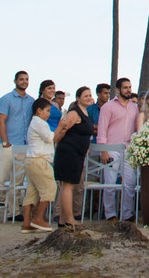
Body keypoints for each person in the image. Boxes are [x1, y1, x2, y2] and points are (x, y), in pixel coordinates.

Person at [97, 77, 139, 221]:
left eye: (130, 87)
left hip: (128, 149)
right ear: (118, 90)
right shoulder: (108, 107)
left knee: (129, 184)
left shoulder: (134, 107)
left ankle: (127, 214)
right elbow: (102, 129)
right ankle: (110, 214)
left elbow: (136, 129)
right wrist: (103, 150)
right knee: (110, 184)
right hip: (111, 149)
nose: (128, 90)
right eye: (125, 87)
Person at [0, 71, 34, 216]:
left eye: (26, 79)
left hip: (23, 146)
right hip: (8, 146)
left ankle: (14, 212)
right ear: (15, 81)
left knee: (17, 182)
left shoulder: (31, 101)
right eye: (21, 79)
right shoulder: (5, 99)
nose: (24, 82)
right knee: (0, 180)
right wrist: (5, 142)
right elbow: (0, 121)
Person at [53, 86, 95, 228]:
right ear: (78, 99)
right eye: (85, 96)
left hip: (78, 154)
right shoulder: (74, 113)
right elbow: (63, 129)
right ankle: (70, 219)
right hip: (68, 152)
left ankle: (62, 220)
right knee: (68, 186)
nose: (89, 98)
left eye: (90, 95)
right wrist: (55, 144)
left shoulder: (86, 113)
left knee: (70, 185)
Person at [21, 98, 56, 232]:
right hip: (39, 160)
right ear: (39, 111)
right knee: (50, 188)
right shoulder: (40, 123)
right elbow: (49, 137)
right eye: (47, 111)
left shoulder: (34, 123)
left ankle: (26, 223)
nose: (49, 114)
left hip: (31, 160)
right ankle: (38, 218)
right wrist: (60, 128)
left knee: (32, 191)